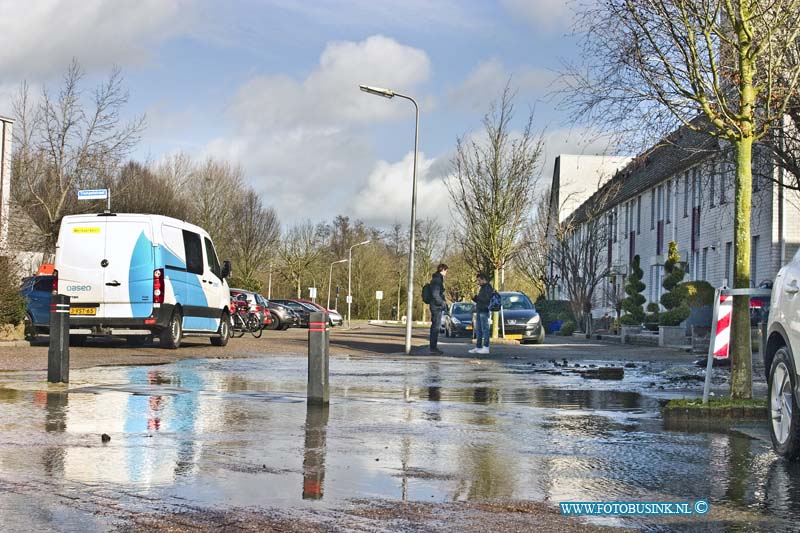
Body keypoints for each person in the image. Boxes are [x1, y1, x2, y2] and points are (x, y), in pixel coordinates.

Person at [470, 272, 493, 355]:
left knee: (485, 329)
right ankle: (478, 346)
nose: (478, 282)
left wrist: (476, 297)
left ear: (484, 280)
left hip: (484, 310)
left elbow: (486, 300)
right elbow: (481, 300)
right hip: (480, 310)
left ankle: (486, 347)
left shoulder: (487, 288)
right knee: (478, 329)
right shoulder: (483, 288)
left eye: (479, 280)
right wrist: (475, 299)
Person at [428, 263, 448, 354]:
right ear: (443, 270)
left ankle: (433, 347)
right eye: (446, 271)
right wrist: (442, 302)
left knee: (435, 327)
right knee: (435, 327)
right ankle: (433, 348)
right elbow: (435, 294)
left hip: (435, 305)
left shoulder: (436, 279)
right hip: (436, 306)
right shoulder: (437, 280)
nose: (446, 273)